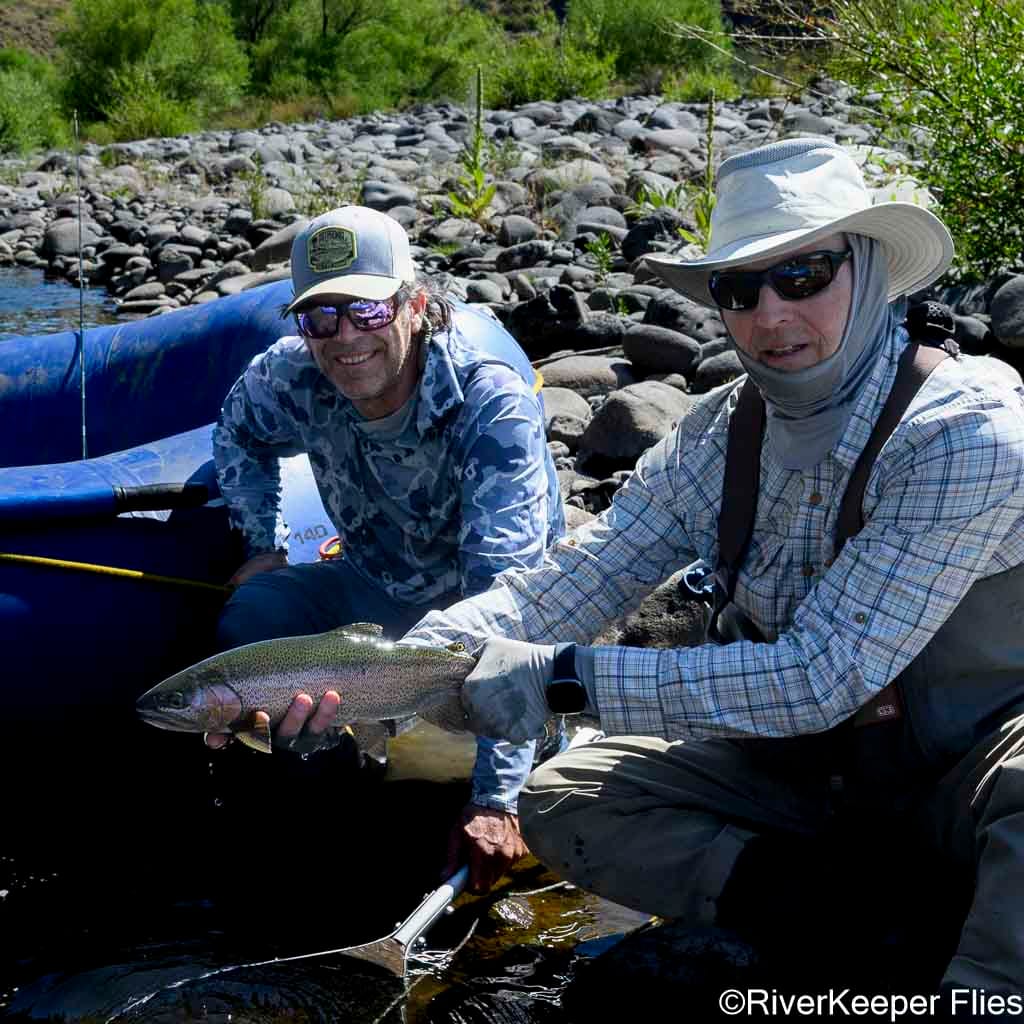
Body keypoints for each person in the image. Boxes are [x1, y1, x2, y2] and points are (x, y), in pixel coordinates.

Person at [401, 139, 1024, 1004]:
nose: (770, 314)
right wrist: (390, 672)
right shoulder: (712, 438)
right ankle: (858, 923)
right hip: (814, 782)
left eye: (804, 274)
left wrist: (565, 683)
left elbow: (822, 677)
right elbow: (564, 589)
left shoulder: (968, 429)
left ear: (874, 270)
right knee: (566, 796)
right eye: (741, 289)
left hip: (972, 768)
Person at [209, 205, 566, 892]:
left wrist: (495, 800)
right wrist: (262, 542)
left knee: (513, 712)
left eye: (367, 312)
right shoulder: (288, 374)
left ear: (414, 305)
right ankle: (334, 798)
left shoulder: (489, 404)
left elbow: (513, 609)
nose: (345, 339)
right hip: (371, 582)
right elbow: (236, 431)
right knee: (251, 617)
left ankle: (526, 752)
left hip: (477, 603)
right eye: (321, 317)